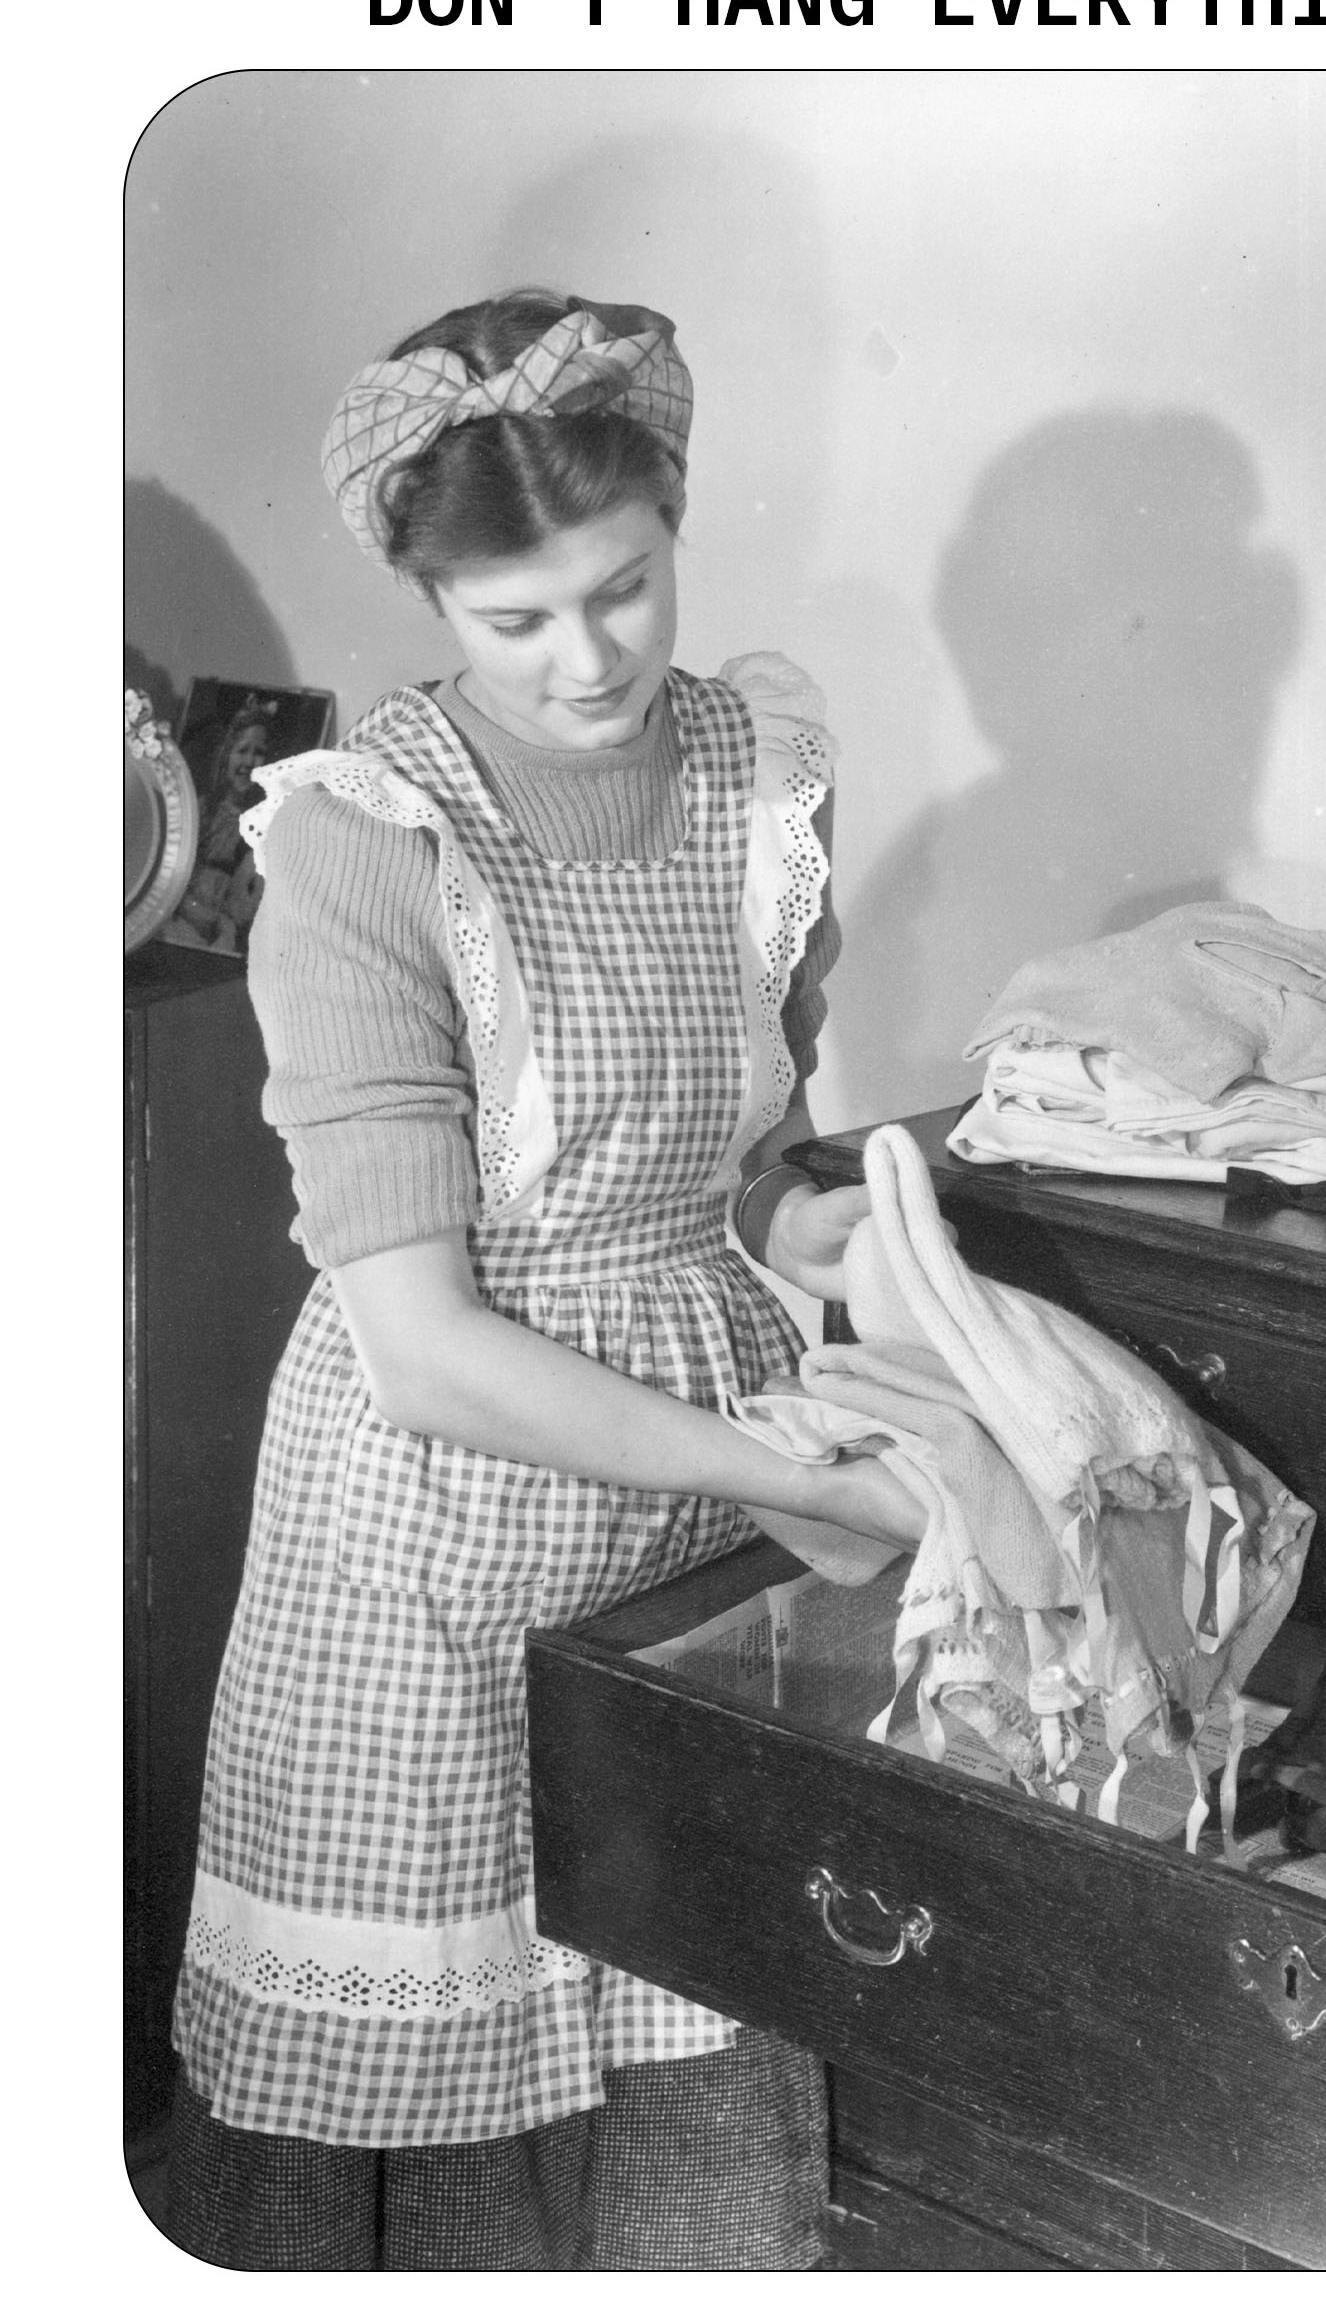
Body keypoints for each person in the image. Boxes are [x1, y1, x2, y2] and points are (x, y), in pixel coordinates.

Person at [162, 290, 922, 2271]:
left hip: (692, 1518)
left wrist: (803, 1227)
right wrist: (787, 1477)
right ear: (431, 598)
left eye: (625, 589)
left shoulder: (758, 768)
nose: (588, 661)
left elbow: (735, 1156)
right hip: (436, 1547)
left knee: (694, 2040)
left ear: (674, 523)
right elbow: (423, 1353)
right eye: (517, 620)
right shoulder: (366, 841)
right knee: (434, 2132)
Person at [165, 701, 274, 949]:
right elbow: (172, 870)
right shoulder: (203, 809)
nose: (250, 761)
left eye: (259, 752)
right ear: (227, 754)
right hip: (185, 912)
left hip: (225, 921)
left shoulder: (263, 821)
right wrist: (190, 908)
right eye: (242, 750)